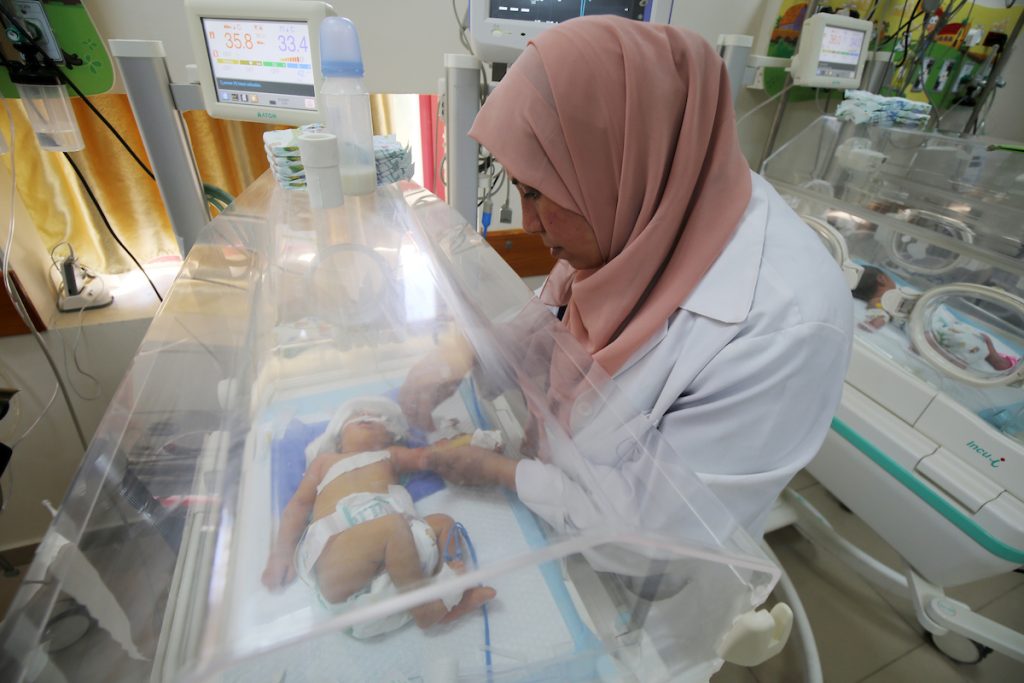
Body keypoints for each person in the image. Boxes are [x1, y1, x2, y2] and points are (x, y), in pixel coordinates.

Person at [400, 16, 853, 538]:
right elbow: (554, 320)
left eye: (537, 193)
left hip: (648, 580)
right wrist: (470, 354)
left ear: (621, 164)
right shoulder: (635, 208)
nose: (528, 224)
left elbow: (661, 534)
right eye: (521, 189)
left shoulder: (781, 325)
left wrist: (506, 475)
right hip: (564, 502)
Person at [261, 397, 495, 638]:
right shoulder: (324, 462)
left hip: (403, 553)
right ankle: (424, 610)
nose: (366, 415)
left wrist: (474, 444)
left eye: (377, 419)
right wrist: (281, 552)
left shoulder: (389, 455)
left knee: (444, 523)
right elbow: (298, 505)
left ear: (390, 437)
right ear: (338, 438)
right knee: (392, 527)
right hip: (341, 560)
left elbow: (429, 456)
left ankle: (447, 596)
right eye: (356, 417)